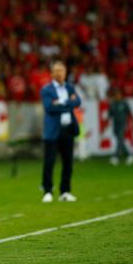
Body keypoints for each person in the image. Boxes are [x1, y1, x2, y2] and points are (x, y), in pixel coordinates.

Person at [40, 61, 81, 203]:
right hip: (52, 130)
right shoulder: (46, 90)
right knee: (49, 162)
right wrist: (68, 104)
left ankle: (65, 191)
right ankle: (47, 191)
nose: (59, 73)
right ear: (51, 73)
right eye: (56, 71)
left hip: (68, 129)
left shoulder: (69, 88)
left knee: (68, 162)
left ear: (65, 72)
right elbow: (49, 108)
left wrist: (61, 104)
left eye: (62, 70)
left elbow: (78, 102)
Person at [108, 88, 133, 166]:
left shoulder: (124, 103)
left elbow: (129, 113)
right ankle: (129, 155)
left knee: (120, 138)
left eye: (118, 94)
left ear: (121, 95)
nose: (117, 96)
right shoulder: (113, 104)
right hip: (115, 124)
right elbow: (110, 114)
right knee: (120, 140)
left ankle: (115, 156)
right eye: (116, 95)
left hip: (123, 123)